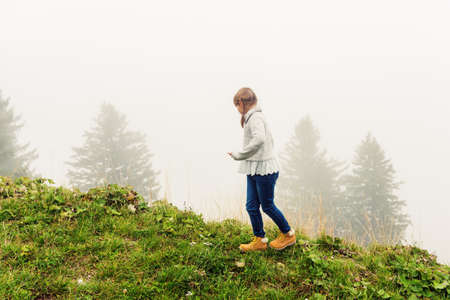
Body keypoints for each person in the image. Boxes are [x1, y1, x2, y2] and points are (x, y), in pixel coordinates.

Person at [228, 87, 296, 252]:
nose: (237, 109)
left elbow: (259, 139)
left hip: (265, 169)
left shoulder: (256, 117)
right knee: (251, 206)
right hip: (254, 168)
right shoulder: (250, 117)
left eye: (237, 104)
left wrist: (240, 154)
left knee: (267, 205)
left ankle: (288, 235)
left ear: (243, 103)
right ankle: (260, 240)